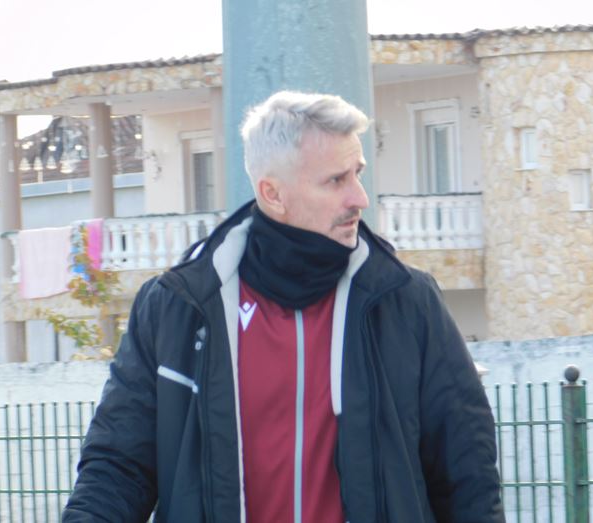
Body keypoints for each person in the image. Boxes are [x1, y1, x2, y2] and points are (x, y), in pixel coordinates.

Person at [63, 91, 504, 522]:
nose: (359, 198)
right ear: (273, 193)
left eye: (358, 174)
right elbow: (118, 466)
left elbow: (467, 472)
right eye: (336, 180)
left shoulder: (407, 301)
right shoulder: (177, 308)